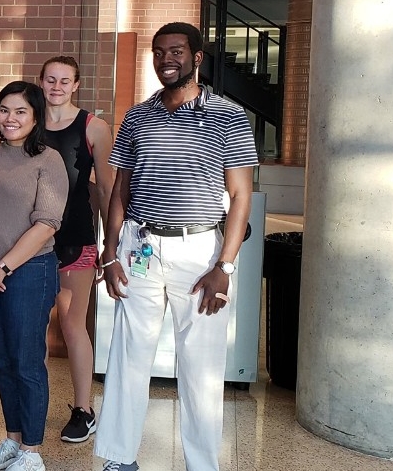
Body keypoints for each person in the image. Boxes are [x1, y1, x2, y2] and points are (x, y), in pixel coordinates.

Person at [94, 22, 258, 471]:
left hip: (201, 250)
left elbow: (241, 195)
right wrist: (109, 253)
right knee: (128, 355)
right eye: (159, 52)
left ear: (197, 57)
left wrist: (224, 265)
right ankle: (119, 458)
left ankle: (202, 464)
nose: (167, 59)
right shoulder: (138, 115)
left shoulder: (228, 115)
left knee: (202, 367)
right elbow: (119, 192)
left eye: (177, 51)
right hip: (140, 246)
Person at [0, 81, 68, 471]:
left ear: (36, 116)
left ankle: (32, 452)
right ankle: (12, 439)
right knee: (1, 360)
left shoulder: (48, 160)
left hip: (29, 271)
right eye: (4, 110)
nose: (10, 118)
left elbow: (47, 224)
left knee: (26, 362)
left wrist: (1, 267)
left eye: (20, 111)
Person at [36, 56, 114, 444]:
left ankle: (84, 410)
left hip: (76, 238)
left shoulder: (94, 128)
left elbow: (105, 189)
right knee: (33, 327)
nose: (56, 86)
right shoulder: (28, 120)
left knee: (70, 323)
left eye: (64, 80)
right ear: (41, 81)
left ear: (76, 85)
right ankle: (35, 406)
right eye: (50, 79)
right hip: (32, 240)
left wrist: (107, 244)